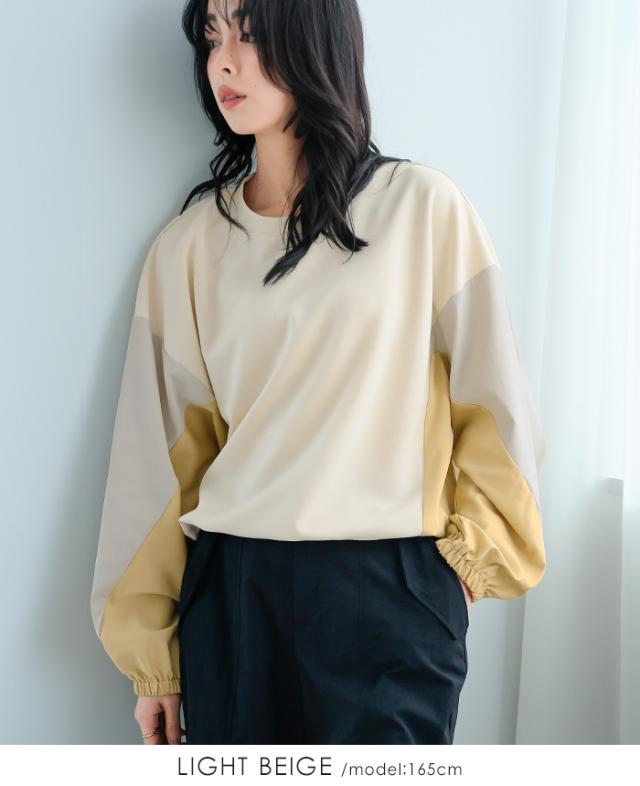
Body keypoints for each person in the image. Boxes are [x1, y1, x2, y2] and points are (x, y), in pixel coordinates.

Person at [90, 0, 546, 745]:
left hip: (390, 593)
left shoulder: (422, 210)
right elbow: (158, 461)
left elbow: (497, 409)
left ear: (313, 37)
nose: (223, 61)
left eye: (250, 32)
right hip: (235, 597)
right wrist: (153, 661)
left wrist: (463, 572)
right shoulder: (190, 246)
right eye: (211, 37)